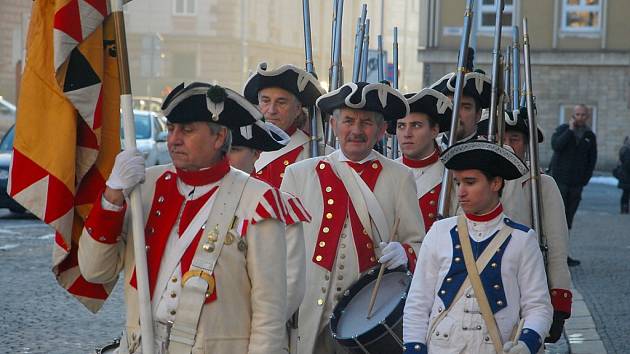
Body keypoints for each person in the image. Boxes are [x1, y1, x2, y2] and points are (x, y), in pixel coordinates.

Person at [78, 83, 291, 354]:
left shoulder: (257, 199)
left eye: (187, 130)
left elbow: (269, 311)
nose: (174, 139)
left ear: (218, 137)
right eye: (171, 129)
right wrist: (112, 196)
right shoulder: (144, 187)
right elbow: (95, 271)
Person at [281, 81, 425, 354]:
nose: (356, 130)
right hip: (307, 310)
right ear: (333, 126)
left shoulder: (399, 177)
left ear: (382, 131)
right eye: (348, 120)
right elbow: (279, 249)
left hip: (366, 315)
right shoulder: (298, 175)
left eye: (367, 122)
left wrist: (405, 252)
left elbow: (419, 245)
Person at [403, 139, 552, 354]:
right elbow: (418, 301)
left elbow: (538, 306)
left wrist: (526, 344)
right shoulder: (439, 232)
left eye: (470, 182)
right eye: (457, 183)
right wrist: (414, 348)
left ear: (495, 183)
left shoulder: (523, 239)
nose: (461, 192)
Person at [478, 108, 573, 343]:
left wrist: (558, 299)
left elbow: (557, 247)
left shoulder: (542, 184)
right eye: (502, 139)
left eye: (515, 139)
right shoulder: (476, 180)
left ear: (527, 144)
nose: (508, 145)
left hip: (526, 285)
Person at [243, 62, 326, 188]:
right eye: (265, 101)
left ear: (298, 109)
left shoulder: (316, 152)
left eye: (281, 102)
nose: (271, 110)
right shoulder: (243, 146)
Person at [392, 88, 453, 232]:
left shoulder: (451, 173)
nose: (407, 134)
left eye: (416, 125)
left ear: (434, 131)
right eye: (401, 126)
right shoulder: (388, 171)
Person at [549, 104, 597, 266]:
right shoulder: (563, 129)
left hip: (576, 184)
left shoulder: (590, 135)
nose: (580, 117)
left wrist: (584, 180)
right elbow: (556, 146)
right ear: (573, 115)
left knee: (568, 220)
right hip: (560, 181)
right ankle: (552, 253)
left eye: (583, 114)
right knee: (556, 218)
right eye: (577, 114)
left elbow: (592, 160)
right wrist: (569, 130)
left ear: (587, 116)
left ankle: (564, 254)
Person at [430, 48, 492, 146]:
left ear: (478, 115)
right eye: (450, 105)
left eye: (465, 107)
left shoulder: (492, 154)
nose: (456, 113)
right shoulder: (426, 151)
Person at [616, 136, 630, 214]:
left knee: (626, 193)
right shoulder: (627, 150)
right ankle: (625, 209)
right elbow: (627, 164)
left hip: (625, 175)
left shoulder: (624, 149)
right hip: (627, 176)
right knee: (626, 193)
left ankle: (624, 208)